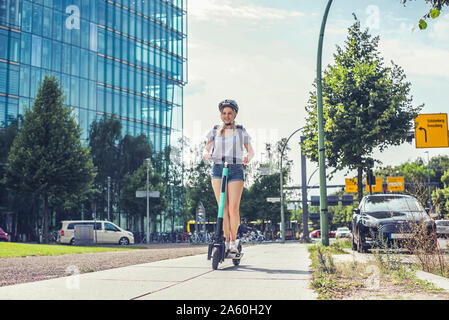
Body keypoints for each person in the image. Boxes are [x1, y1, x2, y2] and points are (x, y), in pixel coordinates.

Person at [203, 99, 254, 253]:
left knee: (233, 209)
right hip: (218, 169)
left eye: (229, 113)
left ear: (235, 114)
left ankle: (233, 241)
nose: (226, 116)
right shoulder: (214, 130)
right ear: (221, 115)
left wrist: (248, 157)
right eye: (224, 113)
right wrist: (206, 154)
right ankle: (224, 241)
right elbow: (206, 148)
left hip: (236, 169)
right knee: (222, 208)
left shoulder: (240, 130)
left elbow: (250, 150)